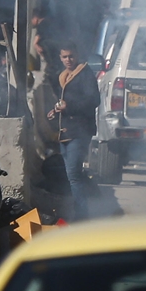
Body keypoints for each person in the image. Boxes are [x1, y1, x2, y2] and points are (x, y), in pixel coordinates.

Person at [48, 43, 99, 221]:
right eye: (64, 57)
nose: (68, 60)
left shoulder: (85, 74)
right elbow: (63, 102)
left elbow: (94, 100)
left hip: (80, 131)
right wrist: (56, 110)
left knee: (74, 174)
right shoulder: (63, 76)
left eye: (71, 56)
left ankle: (82, 214)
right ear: (60, 58)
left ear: (77, 56)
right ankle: (77, 210)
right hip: (65, 132)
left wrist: (69, 107)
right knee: (71, 175)